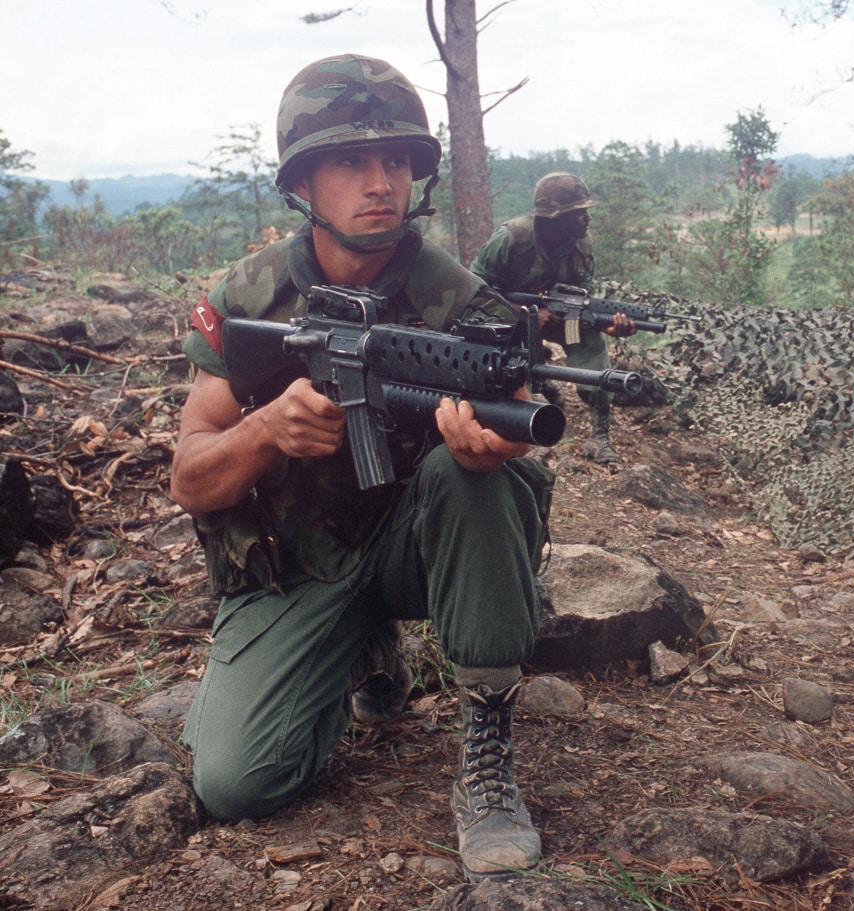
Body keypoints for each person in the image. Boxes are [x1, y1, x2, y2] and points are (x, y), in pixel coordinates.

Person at [170, 53, 549, 883]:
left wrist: (504, 443)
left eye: (397, 162)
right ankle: (363, 648)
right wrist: (265, 427)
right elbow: (191, 477)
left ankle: (486, 743)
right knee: (235, 781)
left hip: (416, 546)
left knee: (475, 474)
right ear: (302, 182)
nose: (381, 182)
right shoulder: (246, 298)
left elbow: (522, 415)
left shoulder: (464, 304)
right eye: (350, 161)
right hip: (297, 568)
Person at [470, 173, 636, 466]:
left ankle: (599, 434)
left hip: (561, 315)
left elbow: (582, 298)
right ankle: (539, 391)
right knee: (508, 349)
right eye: (579, 213)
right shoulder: (511, 238)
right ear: (555, 218)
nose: (588, 220)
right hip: (507, 318)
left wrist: (605, 323)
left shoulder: (581, 245)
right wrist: (522, 313)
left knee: (589, 340)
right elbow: (475, 289)